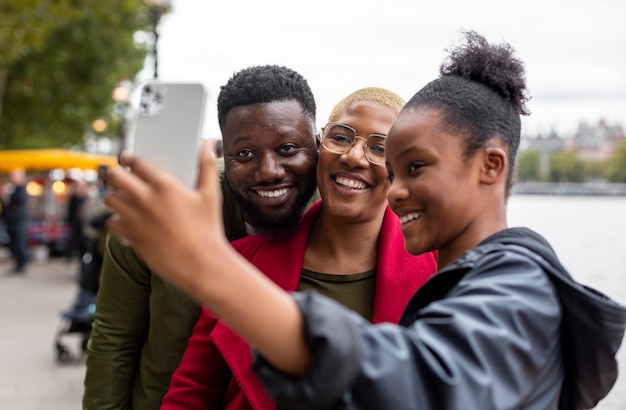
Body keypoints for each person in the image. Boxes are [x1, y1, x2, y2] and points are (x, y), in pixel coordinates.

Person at [104, 31, 626, 410]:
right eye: (346, 140)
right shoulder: (480, 281)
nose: (394, 186)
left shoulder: (521, 289)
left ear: (491, 166)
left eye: (410, 165)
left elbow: (408, 376)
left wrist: (206, 265)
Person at [161, 87, 438, 409]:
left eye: (380, 147)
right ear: (320, 146)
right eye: (342, 137)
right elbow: (192, 393)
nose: (354, 156)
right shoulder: (240, 262)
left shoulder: (441, 271)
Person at [83, 65, 320, 410]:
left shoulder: (339, 215)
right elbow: (114, 339)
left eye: (287, 149)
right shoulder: (158, 214)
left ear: (317, 145)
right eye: (245, 154)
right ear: (223, 152)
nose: (269, 172)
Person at [3, 168, 29, 274]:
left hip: (18, 221)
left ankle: (22, 264)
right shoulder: (14, 189)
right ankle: (18, 264)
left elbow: (17, 203)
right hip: (12, 221)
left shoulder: (22, 189)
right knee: (14, 243)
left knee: (19, 243)